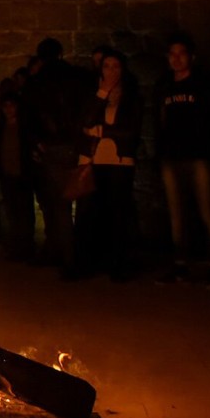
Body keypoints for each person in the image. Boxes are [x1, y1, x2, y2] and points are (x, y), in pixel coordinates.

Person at [155, 33, 210, 283]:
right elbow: (160, 121)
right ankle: (180, 263)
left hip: (200, 156)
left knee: (208, 211)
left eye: (181, 53)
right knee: (177, 213)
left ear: (191, 57)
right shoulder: (164, 87)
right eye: (172, 54)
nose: (176, 59)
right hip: (172, 157)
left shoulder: (203, 86)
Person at [21, 37, 94, 275]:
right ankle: (71, 256)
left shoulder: (37, 82)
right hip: (73, 144)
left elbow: (29, 116)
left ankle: (69, 260)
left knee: (57, 206)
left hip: (52, 148)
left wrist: (37, 142)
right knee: (72, 205)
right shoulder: (78, 78)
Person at [76, 49, 143, 281]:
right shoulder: (94, 93)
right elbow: (84, 120)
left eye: (116, 66)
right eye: (107, 66)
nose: (111, 71)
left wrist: (104, 131)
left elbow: (132, 130)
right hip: (93, 160)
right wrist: (102, 93)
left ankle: (119, 264)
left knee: (118, 213)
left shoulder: (131, 95)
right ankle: (90, 262)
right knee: (90, 213)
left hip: (119, 162)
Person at [0, 92, 35, 262]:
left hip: (22, 175)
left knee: (25, 213)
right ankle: (16, 247)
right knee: (12, 213)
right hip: (6, 176)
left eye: (11, 106)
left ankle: (27, 248)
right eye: (5, 106)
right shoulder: (0, 127)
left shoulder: (24, 126)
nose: (8, 110)